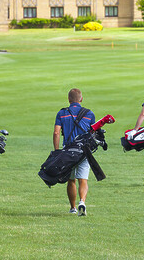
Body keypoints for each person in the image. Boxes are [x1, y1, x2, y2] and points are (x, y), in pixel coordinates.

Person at [53, 88, 95, 216]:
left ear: (69, 99)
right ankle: (82, 201)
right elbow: (93, 133)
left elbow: (56, 132)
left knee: (71, 180)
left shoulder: (62, 113)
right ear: (81, 99)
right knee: (83, 180)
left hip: (68, 151)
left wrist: (56, 151)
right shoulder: (89, 114)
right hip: (84, 151)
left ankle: (73, 207)